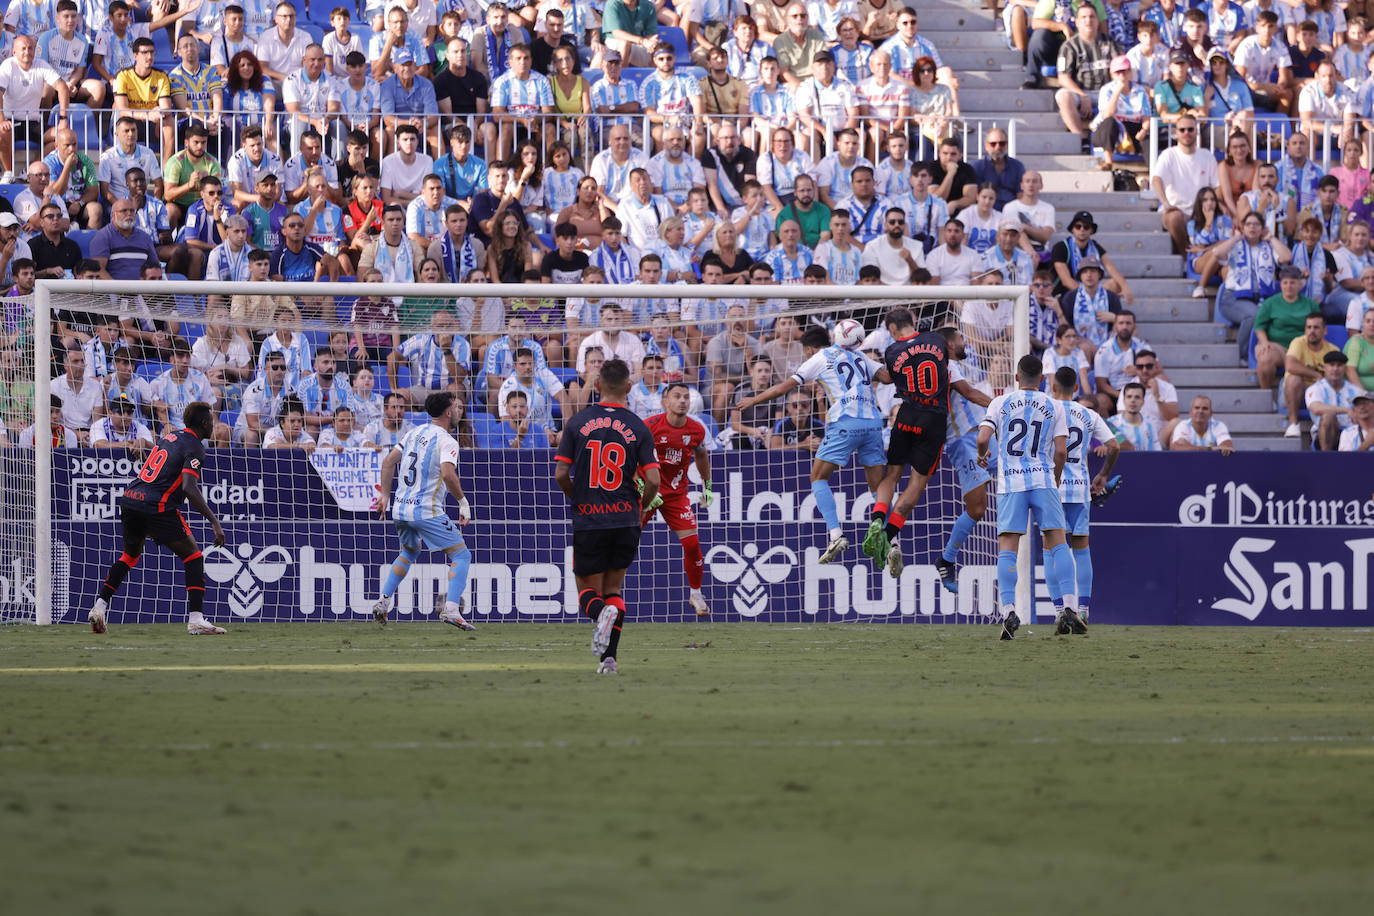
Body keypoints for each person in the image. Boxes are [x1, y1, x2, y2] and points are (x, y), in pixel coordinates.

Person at [737, 324, 888, 565]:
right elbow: (888, 378)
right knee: (878, 486)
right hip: (873, 424)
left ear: (808, 349)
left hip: (845, 422)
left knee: (818, 477)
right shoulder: (860, 355)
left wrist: (754, 399)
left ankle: (836, 534)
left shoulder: (819, 357)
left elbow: (783, 387)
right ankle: (892, 540)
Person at [554, 357, 660, 674]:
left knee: (587, 590)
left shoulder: (576, 423)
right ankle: (608, 660)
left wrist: (579, 497)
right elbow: (653, 480)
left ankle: (601, 614)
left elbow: (561, 474)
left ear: (597, 386)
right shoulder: (640, 427)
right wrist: (640, 506)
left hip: (589, 517)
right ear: (629, 387)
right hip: (626, 517)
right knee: (614, 591)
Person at [88, 402, 228, 636]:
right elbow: (188, 487)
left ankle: (99, 606)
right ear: (205, 423)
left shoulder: (171, 437)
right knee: (193, 556)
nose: (213, 425)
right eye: (211, 421)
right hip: (156, 504)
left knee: (129, 556)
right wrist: (214, 522)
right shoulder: (195, 447)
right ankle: (196, 619)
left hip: (131, 498)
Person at [976, 354, 1080, 640]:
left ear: (1016, 377)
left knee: (1008, 548)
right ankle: (1070, 606)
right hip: (1043, 480)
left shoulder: (999, 402)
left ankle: (1009, 609)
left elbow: (983, 438)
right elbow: (1061, 451)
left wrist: (982, 455)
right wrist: (1055, 478)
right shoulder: (1054, 404)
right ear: (1043, 380)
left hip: (1011, 484)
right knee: (1058, 542)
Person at [369, 391, 476, 630]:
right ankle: (451, 609)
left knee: (410, 552)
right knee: (461, 555)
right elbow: (448, 474)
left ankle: (383, 602)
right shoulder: (447, 440)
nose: (459, 411)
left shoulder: (413, 433)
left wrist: (385, 495)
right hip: (425, 510)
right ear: (448, 412)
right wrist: (463, 502)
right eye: (456, 408)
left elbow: (388, 462)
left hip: (400, 509)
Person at [862, 309, 955, 578]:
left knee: (892, 474)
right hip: (934, 420)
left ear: (891, 329)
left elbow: (891, 378)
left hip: (905, 415)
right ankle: (889, 534)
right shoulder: (936, 340)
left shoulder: (892, 351)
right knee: (916, 483)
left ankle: (878, 518)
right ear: (913, 320)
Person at [1049, 365, 1119, 626]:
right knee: (1081, 549)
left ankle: (1059, 611)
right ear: (1077, 388)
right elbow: (1114, 446)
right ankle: (1083, 610)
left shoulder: (1047, 411)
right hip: (1080, 488)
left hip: (1053, 489)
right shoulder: (1088, 414)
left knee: (1051, 550)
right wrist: (1101, 476)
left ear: (1053, 387)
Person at [640, 382, 713, 616]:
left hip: (675, 494)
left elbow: (701, 454)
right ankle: (605, 590)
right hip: (646, 491)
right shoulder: (649, 426)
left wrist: (707, 486)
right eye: (677, 397)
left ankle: (696, 593)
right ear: (665, 402)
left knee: (692, 545)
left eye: (686, 397)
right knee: (625, 540)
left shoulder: (696, 430)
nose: (682, 401)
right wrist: (644, 488)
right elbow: (630, 459)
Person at [1151, 114, 1220, 255]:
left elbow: (1217, 187)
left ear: (1197, 131)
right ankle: (1186, 258)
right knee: (1174, 217)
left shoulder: (1207, 156)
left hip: (1202, 212)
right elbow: (1156, 180)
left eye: (1190, 129)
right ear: (1176, 132)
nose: (1186, 133)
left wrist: (1216, 208)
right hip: (1177, 211)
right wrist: (1165, 203)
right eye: (1182, 130)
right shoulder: (1168, 155)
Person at [1306, 349, 1363, 450]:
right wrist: (1346, 410)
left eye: (1339, 365)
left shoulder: (1355, 390)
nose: (1335, 369)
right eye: (1332, 365)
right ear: (1325, 367)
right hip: (1324, 434)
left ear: (1345, 368)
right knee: (1328, 415)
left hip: (1351, 434)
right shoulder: (1316, 388)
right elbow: (1316, 408)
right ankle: (1326, 457)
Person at [1169, 394, 1236, 453]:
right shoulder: (1183, 425)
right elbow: (1178, 447)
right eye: (1197, 408)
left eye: (1205, 408)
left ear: (1211, 413)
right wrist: (1210, 449)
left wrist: (1194, 448)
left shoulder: (1218, 426)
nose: (1200, 411)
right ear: (1190, 412)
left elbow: (1227, 446)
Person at [1110, 381, 1162, 450]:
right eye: (1129, 397)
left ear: (1143, 401)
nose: (1133, 400)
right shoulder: (1111, 423)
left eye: (1137, 397)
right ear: (1123, 400)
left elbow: (1158, 452)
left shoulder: (1150, 424)